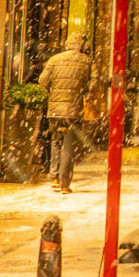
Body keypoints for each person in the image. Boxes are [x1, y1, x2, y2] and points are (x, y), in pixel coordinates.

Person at [37, 32, 94, 189]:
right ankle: (64, 183)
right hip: (74, 109)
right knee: (69, 145)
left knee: (56, 140)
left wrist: (53, 90)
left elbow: (42, 81)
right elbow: (91, 84)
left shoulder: (54, 60)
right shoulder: (86, 61)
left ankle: (54, 176)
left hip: (55, 108)